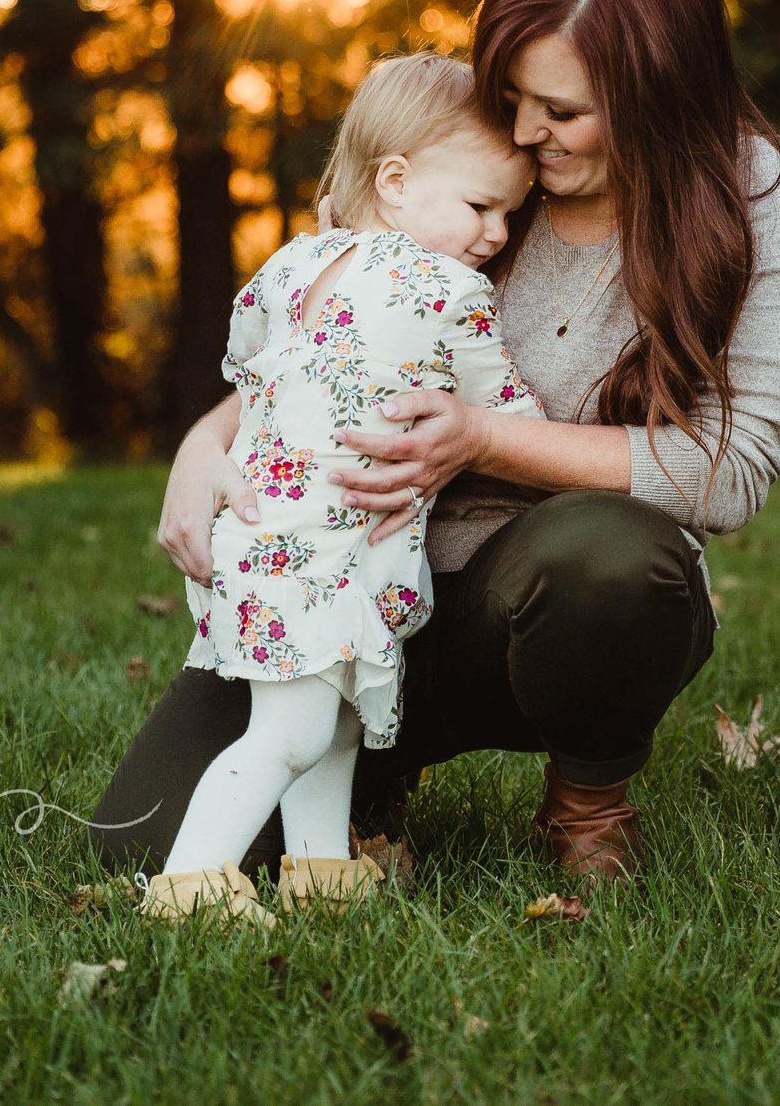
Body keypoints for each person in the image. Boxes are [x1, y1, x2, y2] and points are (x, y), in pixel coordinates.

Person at [94, 0, 780, 886]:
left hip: (538, 596)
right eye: (513, 95)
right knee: (140, 842)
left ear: (654, 93)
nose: (523, 133)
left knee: (611, 559)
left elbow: (729, 472)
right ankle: (373, 760)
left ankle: (587, 795)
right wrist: (200, 450)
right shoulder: (452, 162)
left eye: (561, 111)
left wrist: (481, 435)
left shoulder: (744, 192)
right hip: (346, 576)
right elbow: (323, 348)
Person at [138, 55, 544, 927]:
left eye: (512, 211)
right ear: (394, 182)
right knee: (287, 733)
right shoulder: (449, 291)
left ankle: (320, 872)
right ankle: (194, 884)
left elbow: (249, 363)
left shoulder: (290, 265)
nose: (500, 233)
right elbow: (515, 416)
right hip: (322, 554)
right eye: (482, 206)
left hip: (260, 535)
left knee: (333, 724)